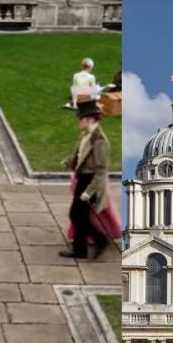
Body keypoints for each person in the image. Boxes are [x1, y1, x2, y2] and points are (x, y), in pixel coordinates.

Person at [60, 99, 110, 260]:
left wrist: (89, 192)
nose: (79, 122)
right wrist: (70, 162)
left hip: (90, 182)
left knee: (76, 214)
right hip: (82, 179)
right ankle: (89, 245)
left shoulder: (99, 140)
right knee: (78, 215)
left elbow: (101, 170)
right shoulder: (87, 135)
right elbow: (81, 155)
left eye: (81, 119)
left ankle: (91, 244)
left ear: (89, 120)